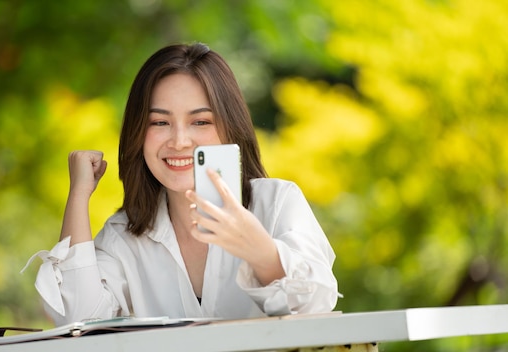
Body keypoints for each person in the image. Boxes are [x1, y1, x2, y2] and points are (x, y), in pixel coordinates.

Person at [24, 42, 338, 326]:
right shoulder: (125, 236)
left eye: (200, 121)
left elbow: (318, 305)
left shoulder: (276, 203)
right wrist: (79, 195)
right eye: (159, 122)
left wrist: (263, 253)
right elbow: (77, 322)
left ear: (231, 128)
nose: (179, 141)